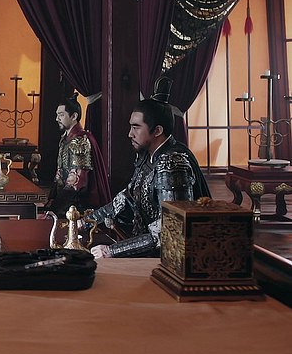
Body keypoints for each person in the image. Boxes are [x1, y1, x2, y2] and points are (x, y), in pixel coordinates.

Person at [84, 77, 211, 259]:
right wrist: (85, 222)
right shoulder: (147, 155)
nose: (130, 134)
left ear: (157, 131)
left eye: (136, 127)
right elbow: (125, 199)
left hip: (178, 259)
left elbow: (170, 229)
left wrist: (112, 251)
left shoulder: (172, 164)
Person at [45, 93, 110, 216]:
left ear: (74, 116)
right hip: (65, 199)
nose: (57, 119)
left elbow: (77, 182)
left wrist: (57, 205)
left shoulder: (79, 141)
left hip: (77, 204)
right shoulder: (66, 139)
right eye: (57, 115)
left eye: (61, 115)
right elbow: (59, 173)